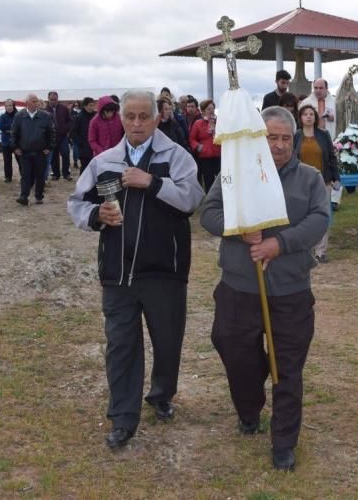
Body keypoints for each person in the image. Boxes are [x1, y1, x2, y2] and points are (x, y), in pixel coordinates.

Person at [68, 90, 205, 450]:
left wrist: (153, 183)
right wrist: (98, 215)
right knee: (121, 346)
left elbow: (193, 198)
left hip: (164, 271)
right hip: (118, 274)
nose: (137, 123)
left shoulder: (177, 157)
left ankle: (162, 394)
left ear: (158, 117)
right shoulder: (105, 161)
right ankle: (123, 418)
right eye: (130, 116)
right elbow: (78, 204)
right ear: (121, 118)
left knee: (167, 341)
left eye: (145, 116)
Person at [200, 106, 330, 472]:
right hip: (240, 285)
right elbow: (208, 213)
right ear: (258, 139)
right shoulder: (234, 174)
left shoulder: (309, 179)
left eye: (286, 138)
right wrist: (238, 227)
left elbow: (319, 218)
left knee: (289, 366)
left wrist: (280, 244)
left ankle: (284, 441)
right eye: (271, 137)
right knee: (232, 345)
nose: (279, 145)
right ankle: (249, 406)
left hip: (290, 289)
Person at [293, 105, 339, 263]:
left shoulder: (324, 135)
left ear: (315, 117)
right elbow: (291, 159)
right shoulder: (296, 136)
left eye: (311, 114)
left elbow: (332, 157)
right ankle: (305, 248)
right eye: (305, 114)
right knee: (302, 217)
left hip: (322, 181)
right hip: (301, 182)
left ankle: (321, 251)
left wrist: (336, 177)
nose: (308, 117)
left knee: (322, 215)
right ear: (300, 117)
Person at [11, 93, 56, 206]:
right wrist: (15, 147)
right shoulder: (19, 116)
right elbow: (14, 133)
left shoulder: (45, 116)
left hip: (40, 152)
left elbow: (52, 133)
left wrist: (49, 147)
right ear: (27, 103)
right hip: (24, 152)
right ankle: (24, 196)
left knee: (40, 175)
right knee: (25, 175)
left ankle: (39, 196)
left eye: (36, 101)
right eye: (33, 101)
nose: (36, 103)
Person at [189, 99, 221, 192]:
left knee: (221, 180)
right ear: (203, 111)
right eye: (208, 109)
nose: (211, 111)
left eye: (213, 109)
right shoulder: (198, 123)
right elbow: (192, 139)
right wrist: (198, 147)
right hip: (205, 157)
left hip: (218, 155)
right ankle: (210, 202)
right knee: (208, 181)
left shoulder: (219, 122)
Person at [46, 91, 74, 181]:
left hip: (63, 137)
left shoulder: (64, 108)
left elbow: (70, 121)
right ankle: (55, 174)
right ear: (48, 99)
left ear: (58, 99)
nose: (53, 101)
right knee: (54, 156)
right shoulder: (45, 110)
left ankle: (66, 174)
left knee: (65, 154)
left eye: (55, 99)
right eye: (51, 99)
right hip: (51, 138)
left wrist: (65, 129)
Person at [0, 99, 20, 182]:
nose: (9, 107)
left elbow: (19, 127)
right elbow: (2, 127)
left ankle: (24, 175)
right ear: (5, 107)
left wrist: (10, 129)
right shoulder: (2, 117)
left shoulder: (18, 115)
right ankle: (8, 177)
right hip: (5, 142)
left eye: (10, 105)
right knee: (7, 161)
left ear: (13, 106)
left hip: (17, 142)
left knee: (20, 160)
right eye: (7, 106)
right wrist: (12, 129)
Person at [73, 97, 97, 172]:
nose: (92, 107)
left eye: (93, 105)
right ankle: (83, 183)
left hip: (95, 145)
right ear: (85, 106)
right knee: (85, 167)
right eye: (90, 105)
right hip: (84, 147)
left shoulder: (96, 116)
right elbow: (74, 132)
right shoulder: (79, 117)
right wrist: (80, 143)